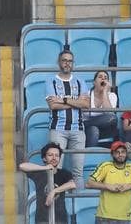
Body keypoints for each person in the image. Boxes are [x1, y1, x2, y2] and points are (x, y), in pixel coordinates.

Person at [44, 51, 87, 184]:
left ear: (73, 63)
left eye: (70, 61)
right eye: (64, 60)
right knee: (55, 169)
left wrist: (63, 99)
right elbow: (53, 105)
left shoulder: (80, 81)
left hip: (78, 129)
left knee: (78, 172)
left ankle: (78, 197)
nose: (67, 63)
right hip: (57, 129)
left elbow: (85, 104)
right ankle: (56, 197)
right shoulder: (50, 81)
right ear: (59, 62)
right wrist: (76, 103)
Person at [87, 142, 131, 223]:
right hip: (104, 217)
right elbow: (89, 183)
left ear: (126, 153)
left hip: (124, 217)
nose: (120, 155)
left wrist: (130, 186)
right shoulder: (105, 166)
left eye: (123, 152)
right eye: (117, 152)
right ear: (112, 154)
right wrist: (108, 186)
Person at [18, 143, 76, 224]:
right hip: (42, 219)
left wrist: (54, 191)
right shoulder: (39, 173)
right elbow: (22, 166)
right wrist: (45, 168)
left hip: (60, 219)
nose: (54, 158)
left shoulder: (64, 173)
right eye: (50, 155)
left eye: (57, 155)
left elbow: (72, 184)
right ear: (44, 158)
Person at [85, 70, 119, 147]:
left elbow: (109, 113)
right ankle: (90, 154)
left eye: (105, 78)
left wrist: (105, 92)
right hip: (88, 129)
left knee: (112, 117)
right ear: (94, 82)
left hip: (105, 129)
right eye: (100, 77)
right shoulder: (86, 95)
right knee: (94, 130)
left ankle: (85, 123)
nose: (103, 79)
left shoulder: (112, 95)